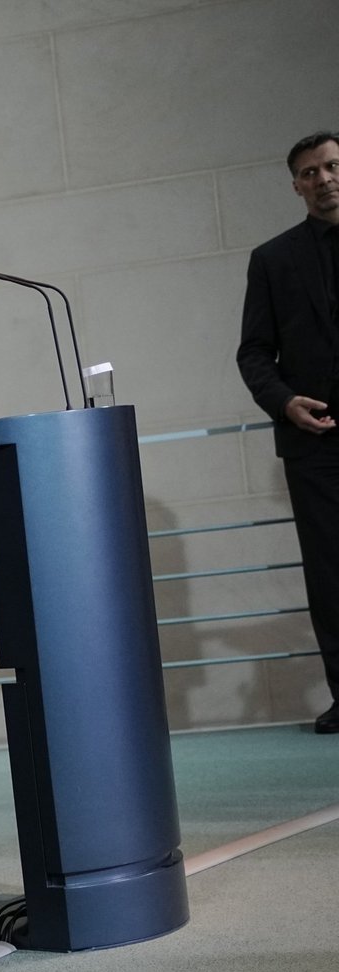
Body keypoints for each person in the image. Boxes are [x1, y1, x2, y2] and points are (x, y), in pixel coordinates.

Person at [237, 130, 339, 733]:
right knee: (329, 573)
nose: (323, 179)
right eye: (309, 172)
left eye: (330, 166)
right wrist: (282, 402)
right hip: (315, 439)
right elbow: (253, 352)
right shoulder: (272, 259)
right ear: (296, 184)